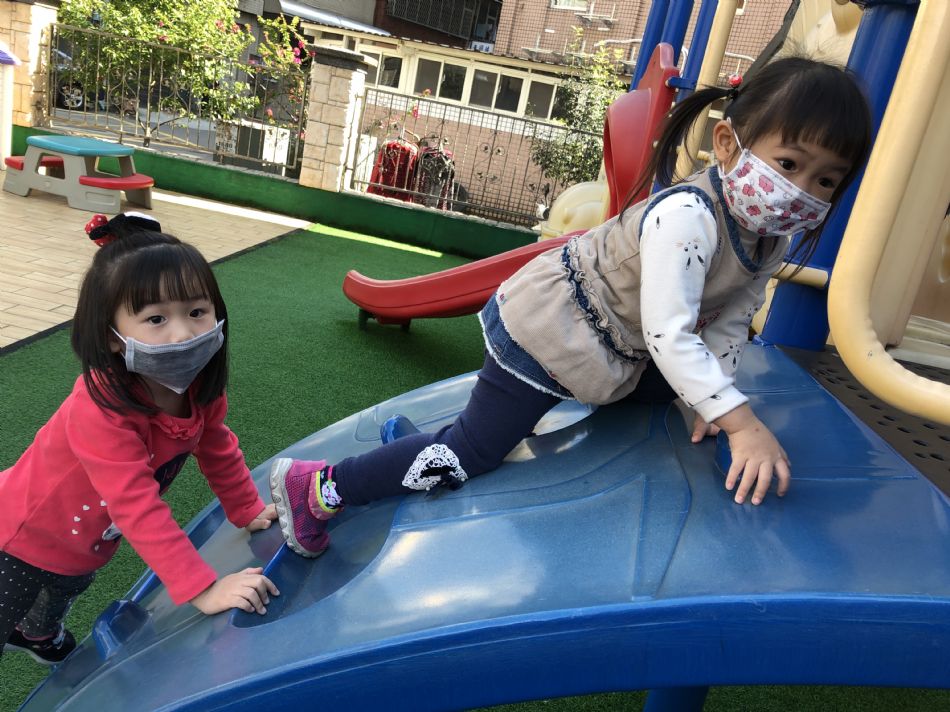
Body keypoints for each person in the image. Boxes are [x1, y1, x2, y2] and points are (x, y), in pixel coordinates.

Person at [270, 56, 873, 559]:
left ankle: (432, 440)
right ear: (727, 144)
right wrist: (741, 423)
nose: (801, 191)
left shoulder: (769, 237)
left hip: (614, 347)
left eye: (826, 180)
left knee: (661, 398)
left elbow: (733, 318)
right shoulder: (689, 217)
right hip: (550, 331)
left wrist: (713, 401)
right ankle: (320, 489)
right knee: (470, 453)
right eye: (789, 164)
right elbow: (670, 333)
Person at [0, 213, 279, 665]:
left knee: (64, 586)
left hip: (87, 542)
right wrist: (203, 589)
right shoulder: (100, 407)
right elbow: (135, 504)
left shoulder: (197, 388)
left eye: (197, 312)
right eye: (155, 318)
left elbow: (216, 447)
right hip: (17, 538)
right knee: (18, 595)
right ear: (111, 336)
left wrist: (247, 508)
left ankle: (36, 634)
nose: (183, 333)